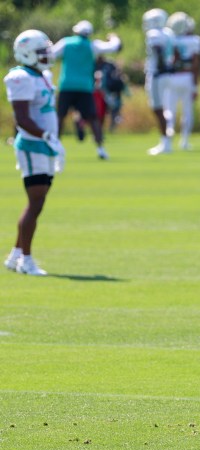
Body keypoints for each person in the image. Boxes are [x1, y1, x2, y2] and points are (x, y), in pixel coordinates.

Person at [4, 30, 66, 276]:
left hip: (45, 145)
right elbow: (21, 119)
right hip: (32, 145)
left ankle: (16, 255)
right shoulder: (20, 77)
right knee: (35, 203)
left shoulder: (43, 75)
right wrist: (46, 136)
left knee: (37, 203)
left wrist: (51, 140)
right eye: (41, 52)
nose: (46, 55)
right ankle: (26, 260)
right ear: (26, 53)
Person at [52, 20, 121, 160]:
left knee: (60, 117)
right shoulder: (92, 45)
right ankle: (101, 149)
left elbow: (51, 54)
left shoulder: (66, 42)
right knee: (93, 118)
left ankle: (55, 148)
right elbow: (113, 46)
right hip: (84, 87)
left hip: (66, 86)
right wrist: (113, 37)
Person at [165, 12, 200, 150]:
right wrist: (196, 85)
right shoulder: (194, 41)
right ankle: (184, 140)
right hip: (187, 77)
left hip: (171, 77)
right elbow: (196, 64)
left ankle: (167, 137)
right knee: (187, 111)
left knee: (170, 110)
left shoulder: (169, 39)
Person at [142, 8, 175, 156]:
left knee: (158, 108)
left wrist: (161, 67)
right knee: (163, 107)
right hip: (167, 74)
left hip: (157, 74)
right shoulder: (169, 33)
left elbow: (158, 51)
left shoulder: (154, 34)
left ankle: (165, 142)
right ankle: (167, 137)